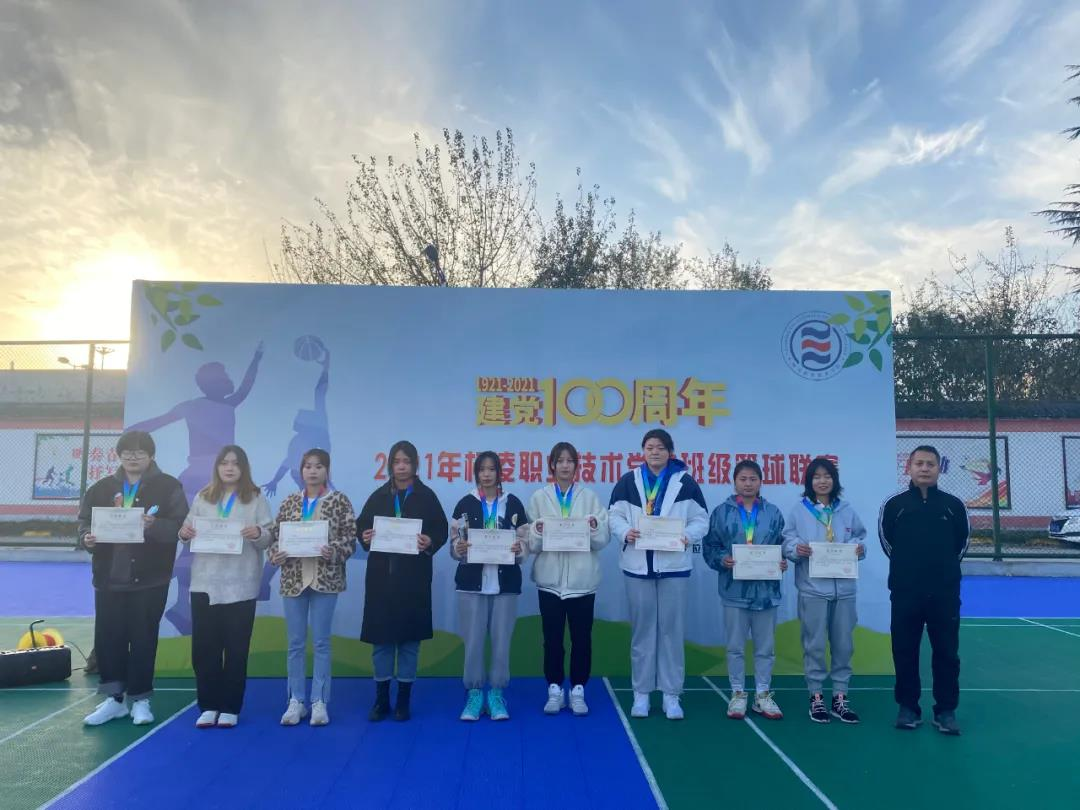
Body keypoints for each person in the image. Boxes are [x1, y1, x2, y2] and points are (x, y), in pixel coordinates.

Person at [77, 430, 188, 726]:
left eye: (140, 451)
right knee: (108, 638)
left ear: (151, 455)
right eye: (127, 451)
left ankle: (140, 699)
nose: (133, 456)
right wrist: (86, 538)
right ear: (119, 454)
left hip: (150, 578)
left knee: (143, 638)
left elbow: (181, 527)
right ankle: (114, 700)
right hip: (109, 577)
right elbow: (84, 522)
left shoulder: (168, 487)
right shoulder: (101, 488)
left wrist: (154, 525)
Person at [608, 429, 708, 721]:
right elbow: (613, 515)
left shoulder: (685, 483)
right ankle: (641, 693)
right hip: (637, 567)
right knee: (643, 632)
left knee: (671, 632)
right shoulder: (629, 481)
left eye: (661, 447)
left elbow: (702, 519)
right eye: (650, 447)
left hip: (674, 567)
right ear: (643, 451)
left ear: (670, 452)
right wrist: (625, 531)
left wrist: (687, 536)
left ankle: (671, 694)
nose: (655, 452)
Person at [178, 445, 274, 728]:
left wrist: (258, 533)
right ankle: (208, 705)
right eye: (224, 463)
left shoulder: (255, 497)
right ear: (217, 467)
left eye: (235, 463)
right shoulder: (203, 496)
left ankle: (231, 706)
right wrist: (184, 532)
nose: (229, 468)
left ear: (243, 468)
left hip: (240, 585)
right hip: (205, 584)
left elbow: (269, 536)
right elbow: (185, 530)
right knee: (204, 650)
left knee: (236, 650)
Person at [879, 445, 969, 735]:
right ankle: (908, 707)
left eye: (930, 463)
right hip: (906, 592)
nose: (925, 468)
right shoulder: (894, 504)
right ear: (909, 467)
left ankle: (946, 711)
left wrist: (941, 571)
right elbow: (887, 541)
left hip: (944, 593)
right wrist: (909, 570)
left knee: (947, 652)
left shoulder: (953, 505)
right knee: (905, 650)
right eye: (919, 463)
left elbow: (962, 543)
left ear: (939, 468)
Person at [356, 440, 449, 722]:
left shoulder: (427, 496)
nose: (401, 467)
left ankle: (403, 701)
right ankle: (381, 699)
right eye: (397, 462)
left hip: (413, 581)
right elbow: (362, 525)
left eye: (406, 462)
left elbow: (441, 529)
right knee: (382, 642)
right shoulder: (379, 496)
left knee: (409, 642)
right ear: (390, 465)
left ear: (415, 465)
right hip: (381, 581)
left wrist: (430, 540)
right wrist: (365, 536)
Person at [268, 449, 357, 727]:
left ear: (327, 470)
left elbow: (350, 540)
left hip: (325, 579)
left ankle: (319, 701)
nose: (313, 471)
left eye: (319, 466)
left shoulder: (339, 501)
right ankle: (296, 700)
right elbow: (274, 537)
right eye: (308, 466)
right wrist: (275, 554)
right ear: (301, 471)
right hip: (293, 579)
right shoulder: (290, 501)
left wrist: (334, 550)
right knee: (295, 643)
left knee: (321, 642)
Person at [781, 457, 866, 724]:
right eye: (816, 476)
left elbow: (860, 536)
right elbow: (787, 541)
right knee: (814, 645)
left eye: (827, 476)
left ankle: (840, 697)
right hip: (813, 589)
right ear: (809, 481)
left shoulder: (846, 510)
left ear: (834, 480)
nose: (822, 481)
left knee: (844, 645)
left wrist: (859, 548)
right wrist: (796, 549)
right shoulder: (799, 510)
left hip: (845, 590)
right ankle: (816, 696)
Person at [526, 442, 609, 716]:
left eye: (569, 460)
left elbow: (602, 540)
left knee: (582, 640)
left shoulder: (590, 497)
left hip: (582, 583)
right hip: (549, 582)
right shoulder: (539, 497)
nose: (564, 465)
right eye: (559, 460)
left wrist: (594, 528)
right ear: (552, 465)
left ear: (576, 465)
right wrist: (538, 531)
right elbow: (530, 543)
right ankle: (554, 689)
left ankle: (578, 690)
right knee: (552, 640)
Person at [702, 459, 787, 721]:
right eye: (743, 479)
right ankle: (738, 692)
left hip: (766, 592)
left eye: (753, 479)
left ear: (761, 482)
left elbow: (783, 545)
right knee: (735, 647)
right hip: (734, 591)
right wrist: (722, 560)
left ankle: (763, 694)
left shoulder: (773, 513)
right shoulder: (721, 513)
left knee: (765, 648)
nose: (748, 484)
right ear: (734, 482)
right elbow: (710, 547)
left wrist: (782, 561)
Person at [449, 451, 529, 722]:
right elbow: (454, 543)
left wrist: (520, 549)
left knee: (501, 643)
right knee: (472, 642)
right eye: (481, 469)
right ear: (476, 473)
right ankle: (474, 694)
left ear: (499, 473)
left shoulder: (513, 503)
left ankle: (496, 693)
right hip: (471, 585)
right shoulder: (465, 503)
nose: (486, 474)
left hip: (505, 585)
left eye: (491, 469)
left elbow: (525, 541)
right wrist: (458, 548)